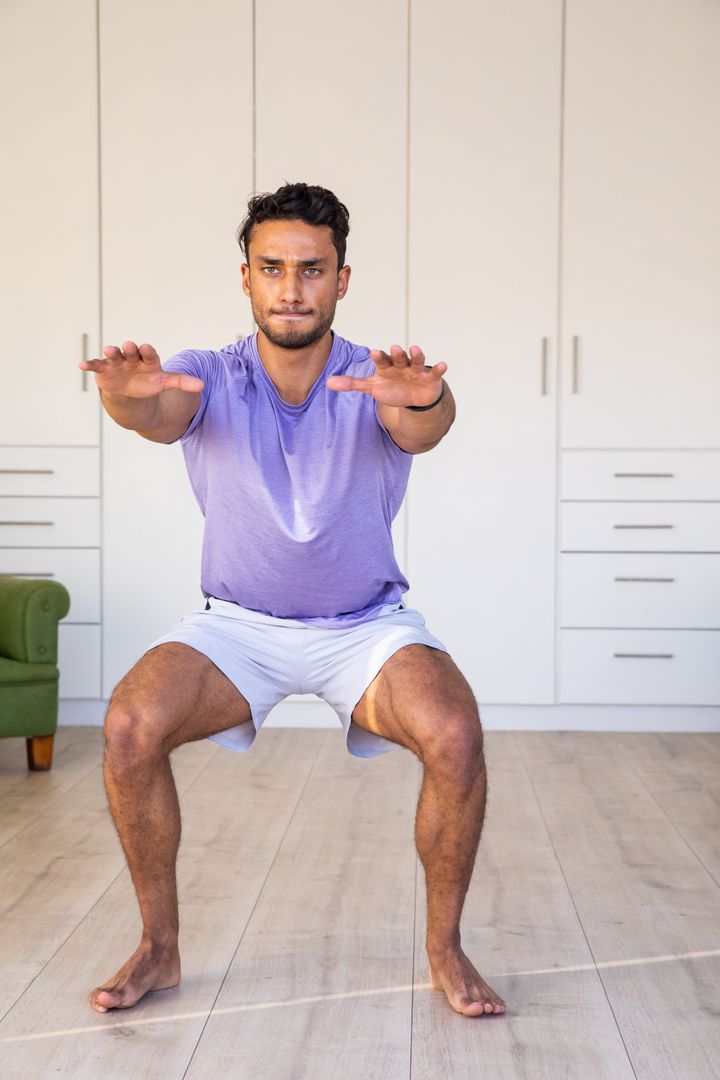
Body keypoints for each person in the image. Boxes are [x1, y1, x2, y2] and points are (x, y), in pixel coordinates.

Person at [80, 182, 506, 1019]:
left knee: (455, 735)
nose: (291, 288)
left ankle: (445, 949)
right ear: (246, 277)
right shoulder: (209, 374)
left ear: (341, 280)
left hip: (366, 630)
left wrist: (423, 398)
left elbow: (425, 425)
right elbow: (155, 412)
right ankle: (159, 949)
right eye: (272, 268)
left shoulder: (376, 378)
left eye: (311, 270)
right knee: (130, 726)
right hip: (239, 629)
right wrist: (124, 393)